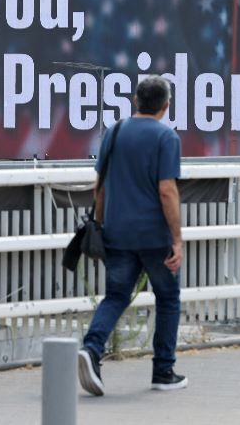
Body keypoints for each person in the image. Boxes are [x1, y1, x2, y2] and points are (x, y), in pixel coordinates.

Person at [78, 75, 187, 396]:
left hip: (118, 233)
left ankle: (92, 349)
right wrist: (177, 240)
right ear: (166, 106)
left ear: (135, 100)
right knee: (168, 300)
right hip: (154, 237)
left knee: (115, 297)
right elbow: (167, 190)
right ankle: (163, 372)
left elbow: (100, 188)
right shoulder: (167, 137)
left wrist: (100, 227)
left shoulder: (115, 132)